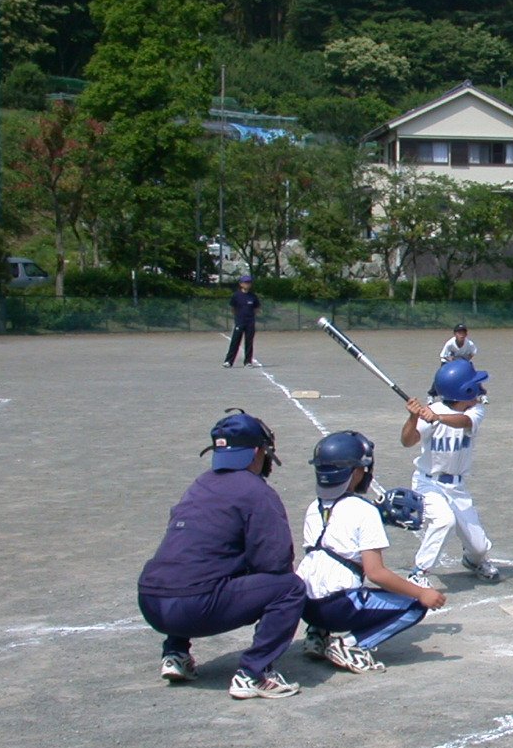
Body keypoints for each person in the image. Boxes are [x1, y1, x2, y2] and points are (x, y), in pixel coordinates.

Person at [136, 411, 305, 699]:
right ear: (256, 452)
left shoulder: (200, 484)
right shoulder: (257, 492)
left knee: (195, 568)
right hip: (194, 606)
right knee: (290, 588)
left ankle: (175, 654)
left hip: (151, 600)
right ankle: (254, 673)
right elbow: (275, 563)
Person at [296, 431, 447, 674]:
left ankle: (316, 635)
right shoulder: (365, 511)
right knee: (414, 606)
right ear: (355, 472)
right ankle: (350, 645)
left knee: (324, 572)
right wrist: (421, 592)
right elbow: (376, 573)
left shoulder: (313, 507)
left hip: (305, 606)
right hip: (339, 607)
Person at [402, 359, 501, 586]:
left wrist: (437, 418)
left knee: (479, 547)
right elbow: (407, 441)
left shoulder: (475, 411)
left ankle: (473, 560)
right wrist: (413, 417)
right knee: (444, 521)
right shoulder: (431, 412)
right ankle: (419, 572)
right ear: (462, 391)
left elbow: (463, 421)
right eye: (474, 387)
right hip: (428, 484)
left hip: (456, 487)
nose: (480, 390)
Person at [223, 275, 262, 368]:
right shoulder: (236, 295)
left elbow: (257, 308)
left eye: (249, 282)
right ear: (241, 284)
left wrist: (251, 317)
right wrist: (238, 317)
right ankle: (228, 361)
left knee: (249, 342)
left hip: (250, 322)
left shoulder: (253, 296)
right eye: (245, 282)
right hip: (240, 321)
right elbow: (232, 308)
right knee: (235, 341)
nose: (247, 284)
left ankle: (248, 362)